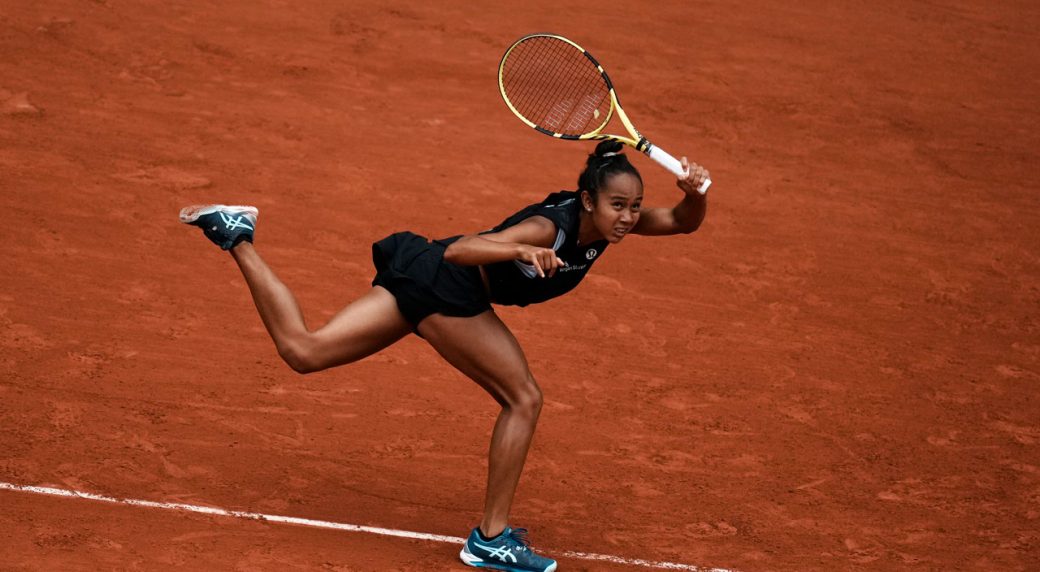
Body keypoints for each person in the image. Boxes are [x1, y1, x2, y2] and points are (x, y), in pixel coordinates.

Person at [179, 140, 710, 572]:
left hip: (426, 275)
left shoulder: (613, 224)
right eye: (619, 205)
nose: (629, 217)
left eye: (635, 206)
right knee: (523, 398)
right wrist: (520, 250)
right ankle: (491, 540)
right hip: (450, 283)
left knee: (304, 351)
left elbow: (683, 221)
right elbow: (463, 250)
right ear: (589, 200)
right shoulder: (550, 227)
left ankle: (236, 236)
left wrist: (694, 193)